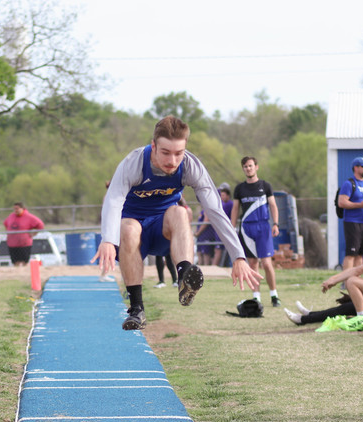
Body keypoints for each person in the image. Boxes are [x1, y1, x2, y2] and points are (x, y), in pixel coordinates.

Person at [94, 115, 261, 330]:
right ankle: (137, 309)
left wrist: (238, 255)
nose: (172, 161)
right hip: (133, 235)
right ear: (153, 146)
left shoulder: (191, 166)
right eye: (165, 153)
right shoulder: (134, 163)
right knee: (128, 227)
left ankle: (184, 274)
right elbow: (113, 201)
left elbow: (215, 211)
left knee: (181, 213)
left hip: (163, 230)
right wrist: (107, 239)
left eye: (178, 153)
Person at [284, 226, 363, 325]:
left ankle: (362, 319)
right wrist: (356, 296)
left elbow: (357, 271)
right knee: (344, 308)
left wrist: (333, 280)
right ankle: (306, 317)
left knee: (352, 280)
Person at [231, 156, 282, 307]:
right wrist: (232, 228)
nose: (248, 168)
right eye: (245, 166)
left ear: (256, 167)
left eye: (250, 166)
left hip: (263, 227)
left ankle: (274, 295)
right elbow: (235, 208)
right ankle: (256, 296)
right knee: (252, 263)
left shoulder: (265, 186)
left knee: (266, 263)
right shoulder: (239, 189)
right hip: (247, 228)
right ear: (243, 169)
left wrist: (276, 224)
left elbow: (273, 205)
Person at [3, 202, 45, 266]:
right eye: (14, 209)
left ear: (22, 208)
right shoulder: (11, 216)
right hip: (12, 244)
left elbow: (40, 225)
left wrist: (34, 233)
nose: (15, 210)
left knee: (24, 262)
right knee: (15, 262)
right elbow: (5, 224)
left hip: (24, 244)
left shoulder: (28, 217)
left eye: (17, 208)